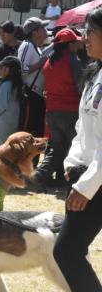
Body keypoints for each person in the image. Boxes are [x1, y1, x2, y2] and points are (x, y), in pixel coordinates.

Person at [53, 7, 102, 292]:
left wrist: (87, 185)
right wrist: (71, 165)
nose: (85, 38)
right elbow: (83, 129)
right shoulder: (94, 74)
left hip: (95, 182)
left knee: (67, 252)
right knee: (70, 252)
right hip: (85, 176)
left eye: (91, 31)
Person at [34, 28, 84, 189]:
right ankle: (71, 181)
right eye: (75, 41)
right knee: (72, 147)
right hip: (71, 111)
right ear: (69, 44)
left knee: (57, 148)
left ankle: (39, 176)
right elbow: (81, 87)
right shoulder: (73, 61)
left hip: (52, 111)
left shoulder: (50, 62)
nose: (78, 43)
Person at [17, 17, 48, 138]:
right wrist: (39, 64)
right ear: (35, 32)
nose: (45, 30)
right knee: (28, 133)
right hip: (30, 95)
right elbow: (20, 69)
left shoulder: (36, 47)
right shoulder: (27, 46)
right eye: (42, 28)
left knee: (36, 132)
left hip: (37, 95)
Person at [0, 56, 22, 146]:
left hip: (3, 124)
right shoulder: (17, 84)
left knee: (1, 149)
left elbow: (1, 106)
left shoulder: (6, 85)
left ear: (7, 69)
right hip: (14, 123)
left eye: (1, 68)